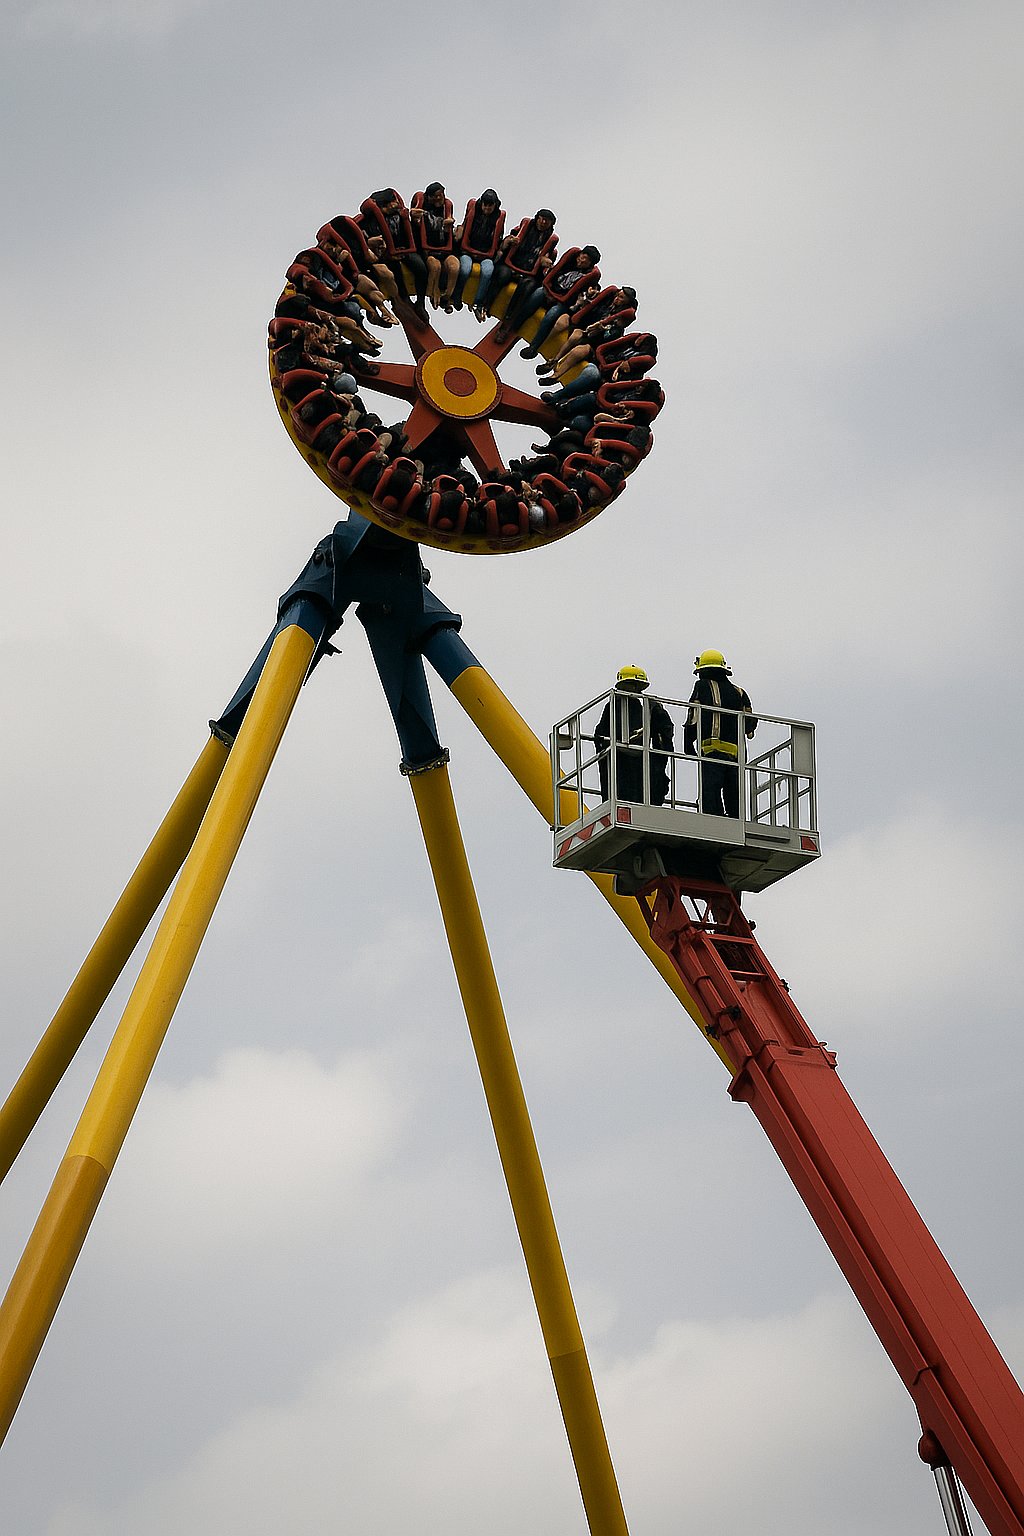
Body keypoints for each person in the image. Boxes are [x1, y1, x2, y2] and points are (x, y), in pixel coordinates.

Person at [683, 650, 756, 818]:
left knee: (711, 792)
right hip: (736, 755)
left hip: (712, 751)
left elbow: (694, 716)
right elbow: (750, 725)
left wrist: (688, 742)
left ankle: (713, 818)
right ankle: (735, 819)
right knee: (733, 793)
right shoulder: (739, 692)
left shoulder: (702, 686)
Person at [594, 665, 674, 805]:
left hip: (637, 759)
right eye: (631, 685)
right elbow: (601, 736)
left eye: (635, 686)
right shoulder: (615, 707)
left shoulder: (646, 708)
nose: (632, 689)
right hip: (622, 761)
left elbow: (663, 733)